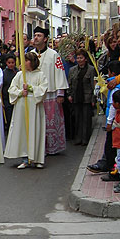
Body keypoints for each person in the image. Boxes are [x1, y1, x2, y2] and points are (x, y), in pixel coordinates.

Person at [87, 60, 120, 178]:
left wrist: (109, 122)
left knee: (112, 148)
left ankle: (113, 171)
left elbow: (113, 106)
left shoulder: (116, 89)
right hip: (119, 122)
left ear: (112, 73)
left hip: (115, 124)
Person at [4, 52, 48, 168]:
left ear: (32, 62)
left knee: (35, 130)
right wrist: (19, 92)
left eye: (27, 60)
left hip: (34, 106)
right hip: (22, 106)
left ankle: (37, 159)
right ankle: (25, 158)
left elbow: (43, 90)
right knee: (23, 131)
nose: (24, 62)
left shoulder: (40, 75)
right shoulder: (20, 75)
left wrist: (31, 88)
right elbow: (11, 89)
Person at [31, 26, 68, 155]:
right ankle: (38, 147)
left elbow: (59, 73)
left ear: (45, 39)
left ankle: (52, 147)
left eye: (39, 35)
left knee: (50, 123)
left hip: (50, 94)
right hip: (35, 94)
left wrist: (60, 93)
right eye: (35, 35)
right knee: (37, 122)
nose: (36, 38)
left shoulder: (54, 55)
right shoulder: (31, 55)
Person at [67, 49, 97, 146]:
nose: (79, 60)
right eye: (78, 58)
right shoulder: (73, 70)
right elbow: (70, 83)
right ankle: (78, 138)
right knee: (77, 118)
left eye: (81, 58)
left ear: (85, 59)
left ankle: (85, 139)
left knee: (86, 119)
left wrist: (93, 99)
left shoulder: (91, 69)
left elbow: (94, 85)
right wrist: (69, 95)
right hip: (76, 96)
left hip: (87, 97)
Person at [1, 54, 18, 130]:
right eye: (9, 63)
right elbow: (1, 87)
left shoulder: (18, 72)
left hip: (16, 98)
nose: (11, 64)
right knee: (9, 118)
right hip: (7, 99)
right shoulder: (3, 73)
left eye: (13, 62)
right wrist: (2, 101)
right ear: (6, 63)